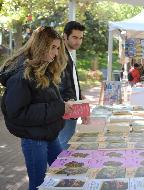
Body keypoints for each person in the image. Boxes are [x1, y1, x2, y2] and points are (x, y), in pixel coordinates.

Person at [0, 26, 72, 190]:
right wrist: (59, 108)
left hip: (49, 134)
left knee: (63, 175)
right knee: (38, 185)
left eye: (57, 48)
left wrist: (63, 106)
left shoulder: (42, 68)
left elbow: (47, 100)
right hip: (34, 140)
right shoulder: (21, 76)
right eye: (52, 47)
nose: (55, 53)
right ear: (41, 46)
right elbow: (17, 113)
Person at [58, 21, 89, 149]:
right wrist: (74, 104)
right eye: (75, 37)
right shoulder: (60, 55)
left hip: (71, 109)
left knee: (65, 145)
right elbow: (62, 85)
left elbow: (72, 83)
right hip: (66, 111)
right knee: (63, 147)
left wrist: (82, 101)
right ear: (65, 36)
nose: (78, 41)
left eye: (80, 38)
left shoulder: (67, 54)